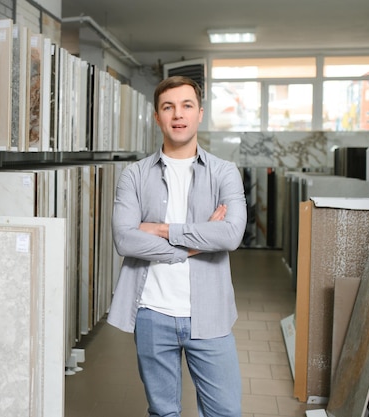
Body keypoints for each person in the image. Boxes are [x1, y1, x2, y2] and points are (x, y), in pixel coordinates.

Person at [108, 75, 247, 417]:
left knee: (225, 411)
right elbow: (125, 238)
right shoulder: (135, 175)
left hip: (210, 314)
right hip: (152, 312)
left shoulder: (224, 173)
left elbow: (230, 235)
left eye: (187, 105)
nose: (178, 114)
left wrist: (161, 230)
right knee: (163, 412)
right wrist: (196, 243)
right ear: (157, 116)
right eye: (168, 107)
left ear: (200, 113)